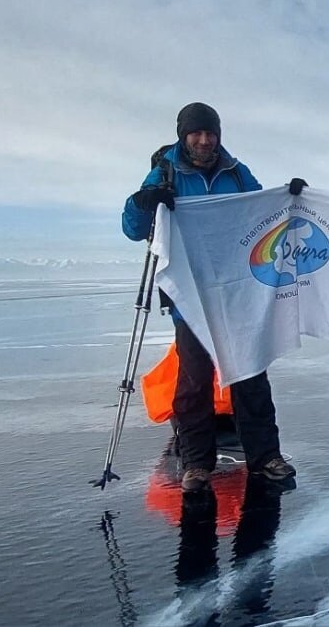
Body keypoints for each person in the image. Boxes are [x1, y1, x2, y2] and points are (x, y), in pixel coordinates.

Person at [123, 101, 303, 493]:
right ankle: (196, 464)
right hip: (190, 298)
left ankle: (266, 456)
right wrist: (145, 201)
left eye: (210, 133)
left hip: (237, 292)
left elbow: (263, 213)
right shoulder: (166, 171)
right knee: (194, 381)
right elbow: (133, 229)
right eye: (196, 133)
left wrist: (290, 201)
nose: (204, 141)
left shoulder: (236, 174)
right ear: (183, 135)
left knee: (250, 374)